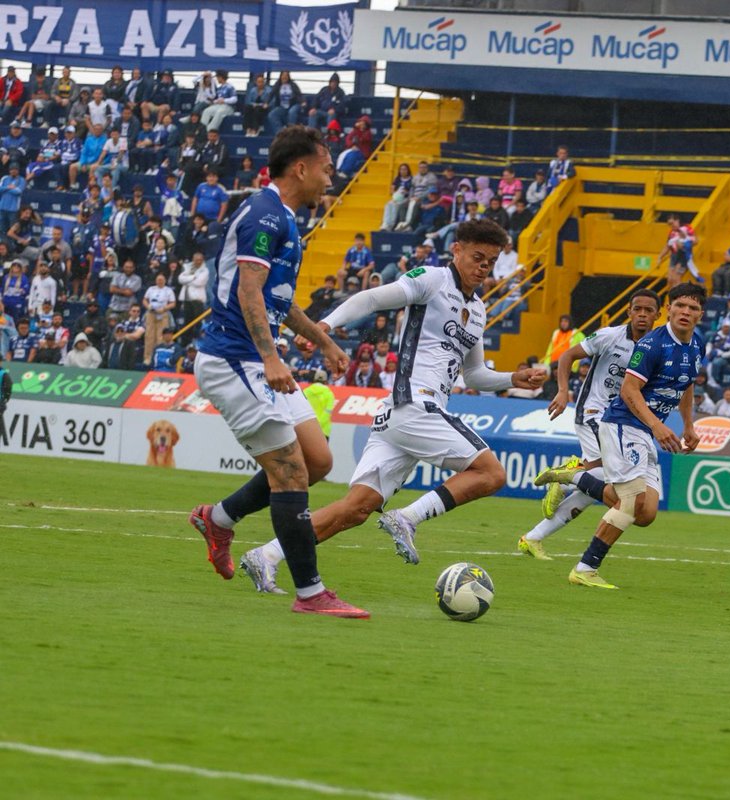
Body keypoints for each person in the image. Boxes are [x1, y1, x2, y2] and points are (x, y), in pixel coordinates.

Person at [238, 219, 546, 587]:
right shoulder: (432, 279)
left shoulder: (477, 310)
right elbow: (371, 298)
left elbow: (475, 374)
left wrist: (514, 378)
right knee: (492, 473)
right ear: (457, 250)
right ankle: (408, 518)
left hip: (403, 416)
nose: (483, 268)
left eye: (490, 262)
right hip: (415, 403)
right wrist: (327, 326)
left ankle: (266, 555)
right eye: (477, 258)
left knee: (355, 509)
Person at [186, 126, 366, 618]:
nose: (332, 177)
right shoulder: (265, 215)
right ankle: (311, 594)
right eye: (327, 168)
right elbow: (248, 292)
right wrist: (270, 358)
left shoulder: (283, 218)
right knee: (290, 473)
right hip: (234, 359)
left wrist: (323, 339)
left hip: (256, 358)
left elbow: (275, 302)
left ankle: (218, 518)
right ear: (301, 168)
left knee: (318, 461)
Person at [536, 283, 706, 589]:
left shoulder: (696, 345)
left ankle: (576, 477)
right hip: (623, 425)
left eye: (693, 308)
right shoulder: (652, 345)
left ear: (700, 315)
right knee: (629, 502)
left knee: (646, 513)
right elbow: (629, 391)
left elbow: (687, 383)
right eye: (680, 305)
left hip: (646, 430)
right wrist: (657, 426)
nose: (685, 312)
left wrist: (689, 425)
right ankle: (586, 568)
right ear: (669, 310)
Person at [517, 291, 661, 560]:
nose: (642, 314)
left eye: (648, 310)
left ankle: (533, 537)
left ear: (657, 315)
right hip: (594, 413)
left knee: (596, 490)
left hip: (622, 422)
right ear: (629, 311)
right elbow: (567, 356)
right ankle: (571, 472)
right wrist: (562, 391)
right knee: (610, 479)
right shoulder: (610, 336)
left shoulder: (656, 347)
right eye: (637, 309)